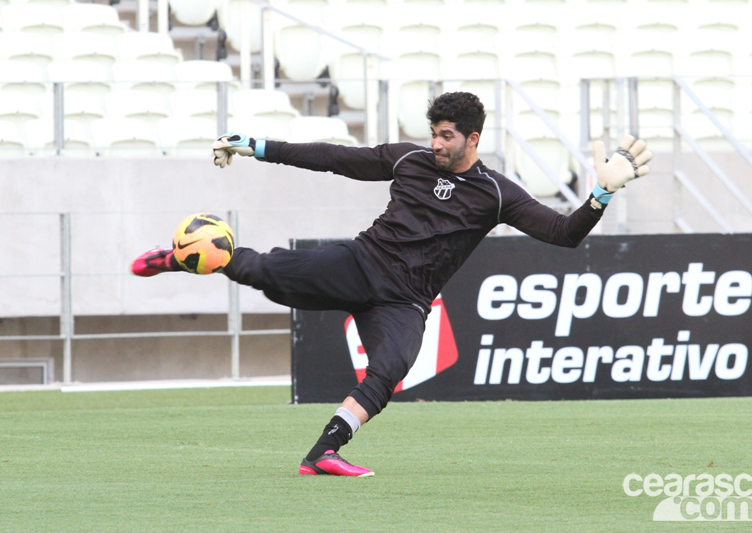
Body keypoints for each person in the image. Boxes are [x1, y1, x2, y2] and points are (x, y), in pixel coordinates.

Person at [131, 92, 653, 477]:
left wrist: (601, 196)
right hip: (360, 263)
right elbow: (334, 159)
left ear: (472, 139)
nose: (436, 143)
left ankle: (323, 453)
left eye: (447, 136)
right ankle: (189, 256)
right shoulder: (408, 159)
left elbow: (563, 234)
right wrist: (258, 146)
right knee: (268, 273)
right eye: (434, 133)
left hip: (406, 301)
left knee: (392, 370)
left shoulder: (497, 194)